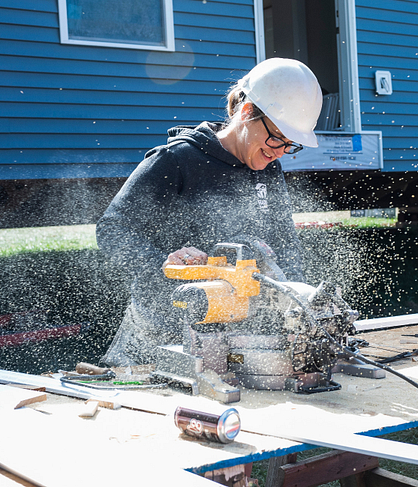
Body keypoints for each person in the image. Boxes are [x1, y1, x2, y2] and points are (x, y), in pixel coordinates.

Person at [97, 58, 323, 366]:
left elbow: (285, 246)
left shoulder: (270, 172)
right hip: (159, 333)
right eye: (276, 138)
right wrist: (160, 266)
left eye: (290, 144)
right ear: (247, 113)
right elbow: (112, 228)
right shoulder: (178, 160)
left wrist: (301, 304)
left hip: (228, 338)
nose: (280, 151)